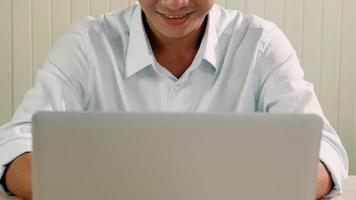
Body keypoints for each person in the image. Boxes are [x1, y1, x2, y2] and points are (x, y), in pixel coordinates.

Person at [0, 0, 349, 200]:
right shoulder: (86, 45)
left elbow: (325, 155)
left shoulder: (261, 43)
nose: (174, 3)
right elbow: (14, 152)